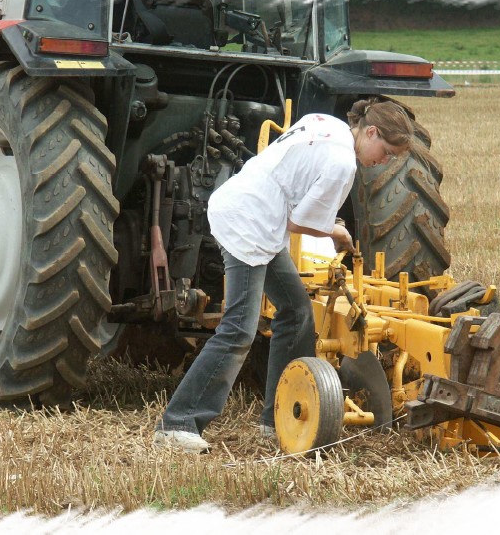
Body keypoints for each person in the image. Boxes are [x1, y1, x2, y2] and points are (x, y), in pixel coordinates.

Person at [154, 98, 415, 453]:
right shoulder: (343, 164)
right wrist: (337, 232)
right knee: (238, 330)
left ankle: (274, 419)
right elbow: (301, 223)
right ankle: (178, 423)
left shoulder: (327, 122)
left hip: (252, 208)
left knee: (295, 311)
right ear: (370, 132)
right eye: (385, 151)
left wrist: (327, 222)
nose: (383, 161)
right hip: (251, 224)